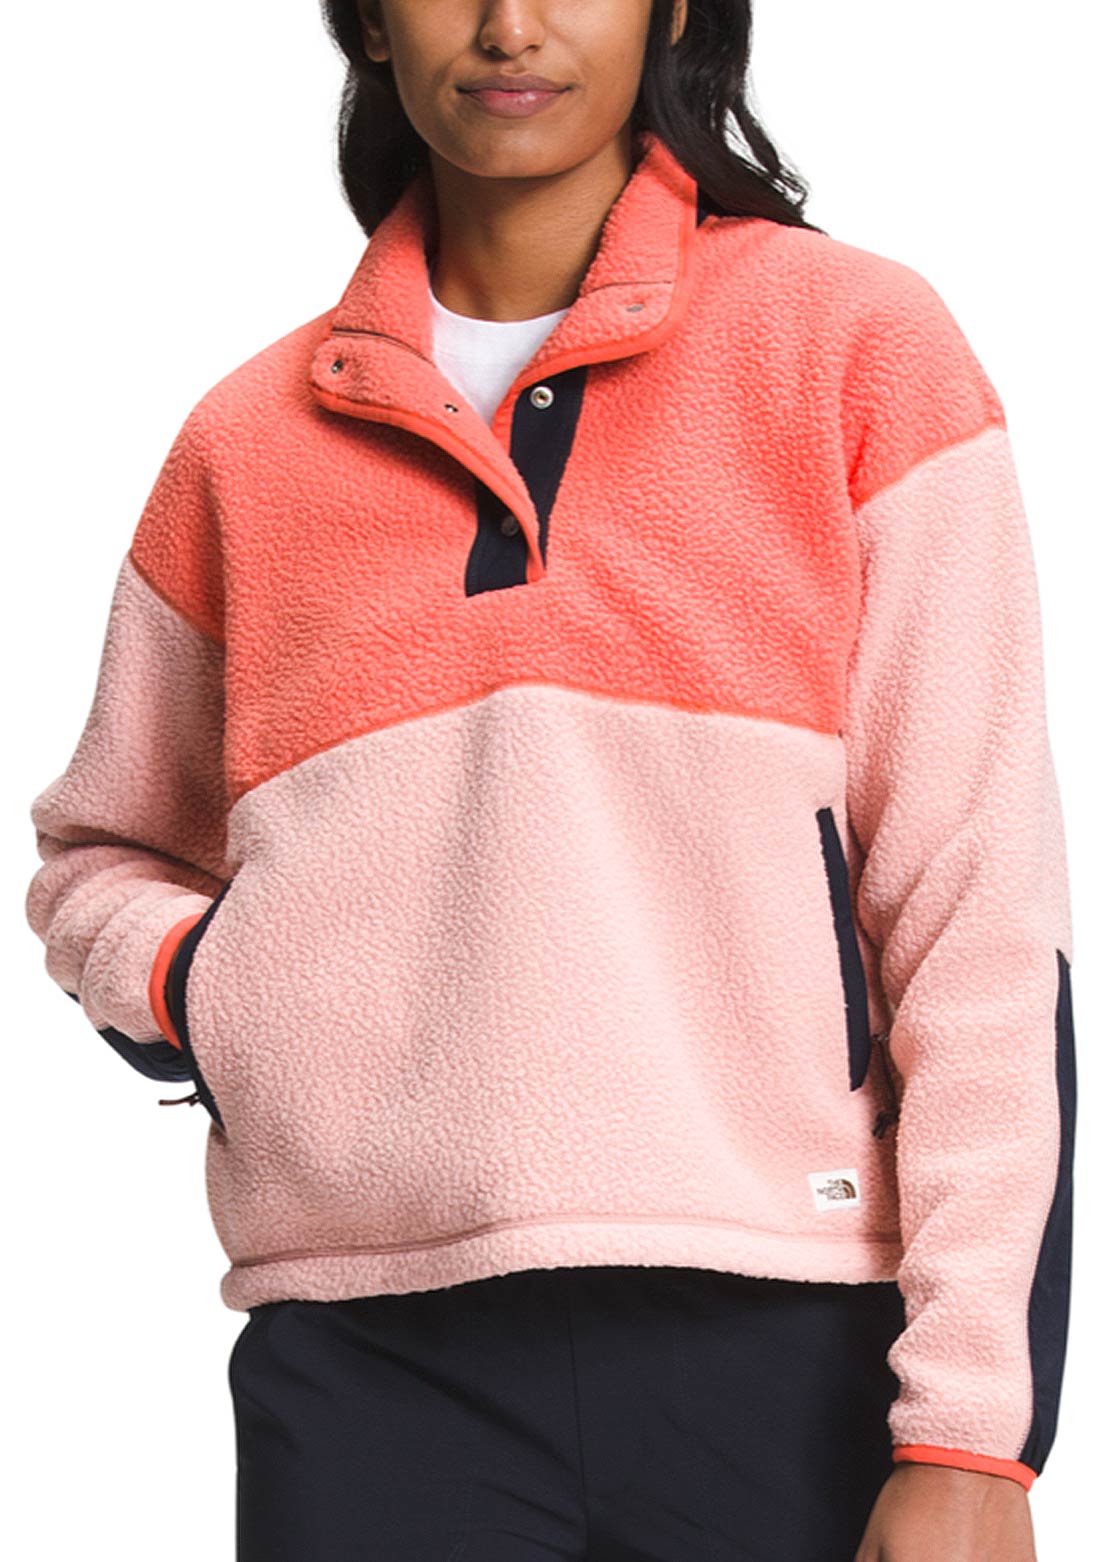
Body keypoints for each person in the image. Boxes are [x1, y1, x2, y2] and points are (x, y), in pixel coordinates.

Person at [24, 3, 1077, 1559]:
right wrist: (213, 982)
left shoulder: (853, 346)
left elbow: (979, 922)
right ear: (368, 21)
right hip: (369, 1356)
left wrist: (971, 1433)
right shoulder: (243, 446)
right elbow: (98, 854)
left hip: (790, 1331)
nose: (510, 23)